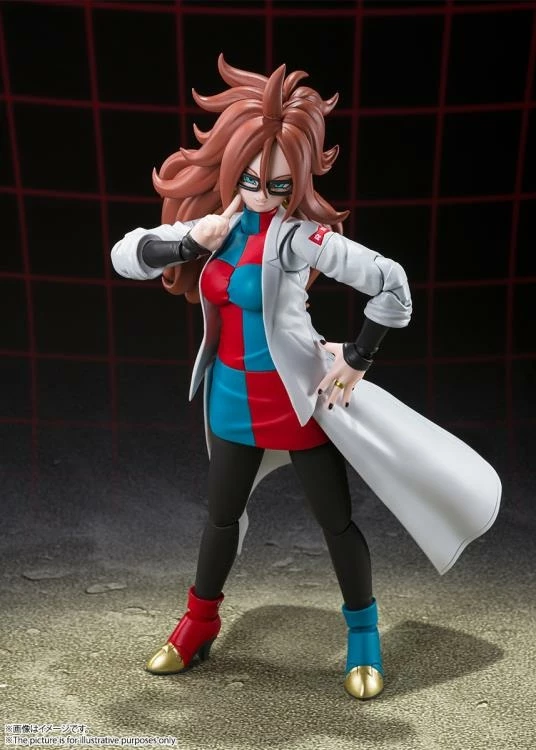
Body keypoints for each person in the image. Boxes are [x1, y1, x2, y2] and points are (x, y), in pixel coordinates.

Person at [111, 56, 500, 701]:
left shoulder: (300, 240)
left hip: (295, 402)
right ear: (232, 170)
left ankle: (364, 634)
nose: (262, 193)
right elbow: (126, 255)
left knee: (335, 524)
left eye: (278, 183)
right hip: (230, 398)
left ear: (297, 181)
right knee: (220, 519)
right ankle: (199, 623)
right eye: (251, 179)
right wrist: (189, 242)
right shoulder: (217, 231)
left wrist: (357, 358)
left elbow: (392, 284)